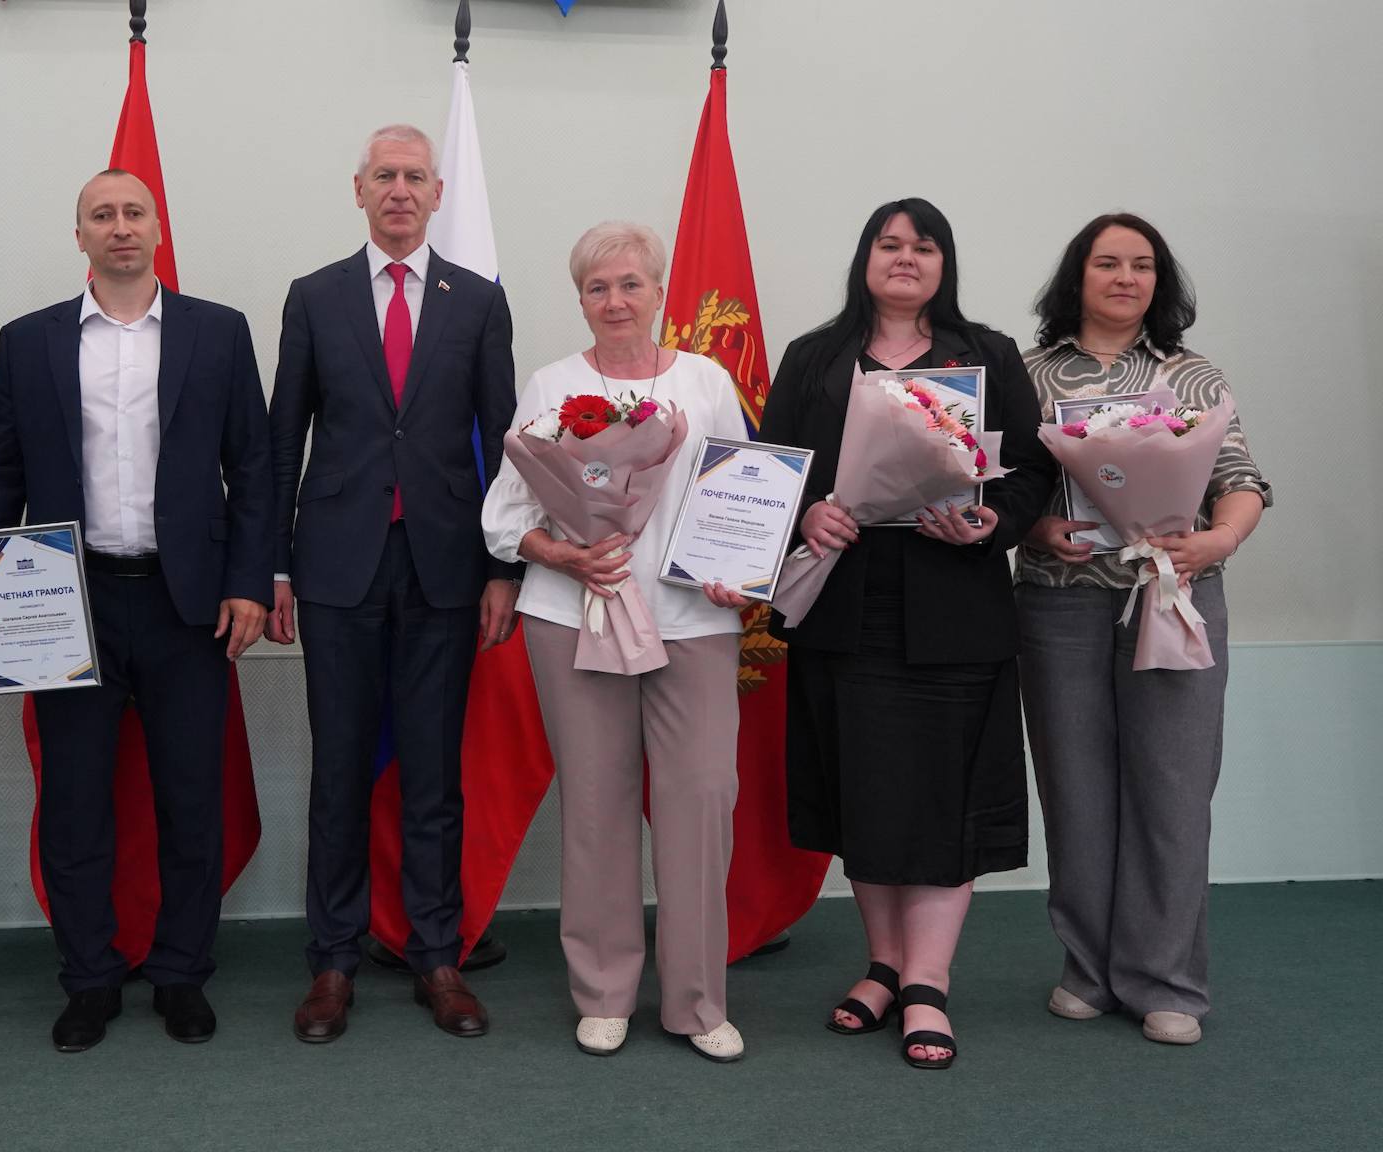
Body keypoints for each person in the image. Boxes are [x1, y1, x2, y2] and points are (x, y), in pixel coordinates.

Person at [0, 170, 272, 1050]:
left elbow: (254, 466)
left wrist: (249, 580)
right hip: (64, 604)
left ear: (158, 228)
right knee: (75, 802)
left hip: (187, 606)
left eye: (133, 212)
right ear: (79, 235)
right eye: (102, 215)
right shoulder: (30, 341)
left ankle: (181, 973)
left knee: (190, 800)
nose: (119, 226)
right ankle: (88, 978)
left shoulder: (219, 332)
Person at [759, 198, 1054, 1070]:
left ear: (943, 264)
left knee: (941, 795)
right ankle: (883, 965)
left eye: (924, 247)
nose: (905, 258)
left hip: (952, 603)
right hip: (842, 604)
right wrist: (804, 514)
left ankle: (929, 980)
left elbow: (1033, 469)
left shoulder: (986, 354)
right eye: (889, 244)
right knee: (867, 791)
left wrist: (992, 521)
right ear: (865, 258)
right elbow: (774, 465)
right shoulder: (814, 357)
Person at [267, 124, 519, 1042]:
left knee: (434, 774)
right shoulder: (315, 296)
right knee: (338, 770)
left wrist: (504, 570)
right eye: (385, 175)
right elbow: (281, 440)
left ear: (438, 193)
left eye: (415, 176)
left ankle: (436, 955)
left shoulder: (478, 300)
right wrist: (276, 564)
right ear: (360, 189)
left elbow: (506, 445)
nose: (400, 190)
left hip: (445, 568)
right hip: (336, 567)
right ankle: (333, 961)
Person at [481, 222, 753, 1062]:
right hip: (575, 618)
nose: (616, 300)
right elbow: (505, 516)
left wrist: (735, 572)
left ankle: (697, 1000)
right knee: (596, 806)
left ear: (659, 291)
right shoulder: (552, 385)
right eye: (598, 288)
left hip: (693, 622)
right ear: (580, 301)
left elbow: (745, 498)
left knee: (700, 802)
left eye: (631, 283)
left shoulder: (706, 382)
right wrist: (563, 554)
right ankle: (603, 992)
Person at [1016, 213, 1270, 1046]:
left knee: (1173, 789)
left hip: (1174, 598)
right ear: (1077, 276)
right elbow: (1001, 488)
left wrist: (1218, 540)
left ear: (1159, 281)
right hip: (1059, 603)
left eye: (1142, 265)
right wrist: (1035, 529)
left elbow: (1240, 480)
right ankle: (1089, 970)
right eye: (1107, 263)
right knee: (1076, 790)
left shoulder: (1192, 376)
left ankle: (1166, 980)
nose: (1126, 278)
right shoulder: (1030, 374)